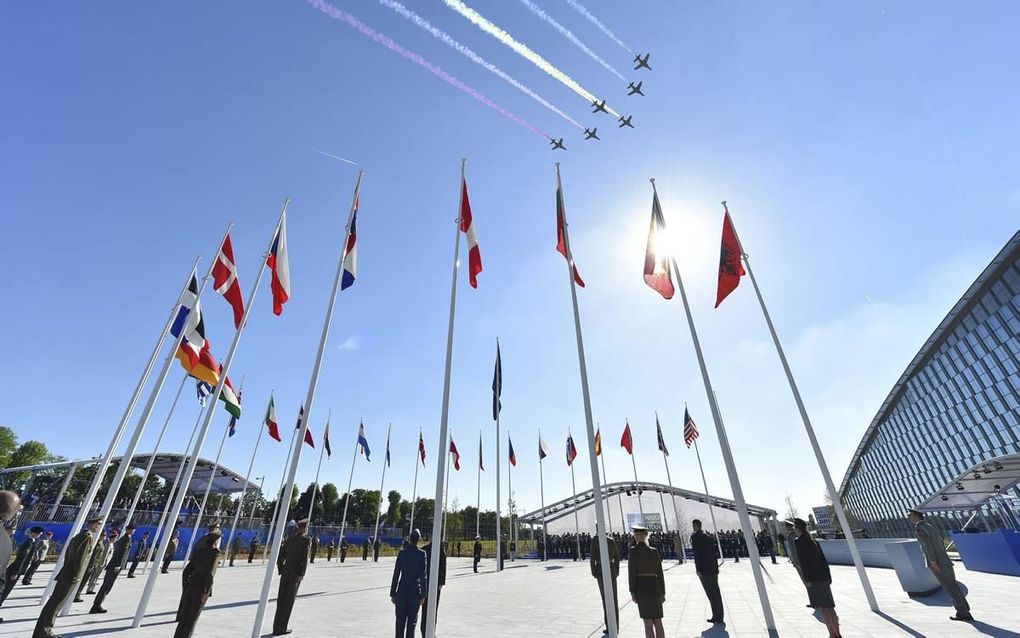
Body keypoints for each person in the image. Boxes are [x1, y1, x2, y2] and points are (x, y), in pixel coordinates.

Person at [34, 515, 100, 638]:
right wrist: (77, 575)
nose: (98, 527)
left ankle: (40, 631)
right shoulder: (87, 537)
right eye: (98, 524)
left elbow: (68, 555)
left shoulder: (78, 536)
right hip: (71, 575)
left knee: (52, 602)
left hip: (66, 572)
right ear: (93, 525)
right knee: (57, 604)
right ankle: (46, 631)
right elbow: (81, 558)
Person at [909, 508, 972, 622]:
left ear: (916, 516)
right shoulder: (930, 526)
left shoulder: (920, 528)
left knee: (950, 587)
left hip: (938, 562)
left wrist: (933, 562)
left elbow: (927, 546)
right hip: (944, 560)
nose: (909, 517)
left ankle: (963, 613)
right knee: (953, 586)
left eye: (910, 515)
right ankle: (964, 610)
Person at [793, 518, 841, 638]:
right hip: (823, 577)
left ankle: (832, 634)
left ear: (797, 529)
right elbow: (823, 560)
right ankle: (837, 633)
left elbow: (804, 562)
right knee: (830, 607)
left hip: (814, 579)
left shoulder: (799, 542)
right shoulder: (814, 541)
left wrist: (807, 579)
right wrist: (828, 577)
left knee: (824, 608)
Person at [174, 529, 221, 637]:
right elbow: (210, 573)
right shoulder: (215, 553)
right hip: (200, 590)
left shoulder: (200, 552)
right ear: (215, 541)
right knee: (192, 619)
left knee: (184, 618)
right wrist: (206, 591)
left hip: (191, 587)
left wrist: (186, 586)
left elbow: (186, 571)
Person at [273, 518, 311, 636]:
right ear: (304, 528)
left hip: (286, 573)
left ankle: (276, 627)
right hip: (295, 575)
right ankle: (282, 628)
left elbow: (280, 558)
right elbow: (304, 560)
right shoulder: (305, 541)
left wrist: (282, 570)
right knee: (289, 601)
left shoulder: (288, 540)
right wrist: (302, 574)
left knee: (281, 600)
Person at [628, 525, 665, 638]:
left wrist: (632, 591)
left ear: (636, 536)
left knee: (648, 623)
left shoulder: (633, 552)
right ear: (646, 536)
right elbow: (660, 573)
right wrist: (663, 592)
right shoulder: (654, 551)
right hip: (655, 588)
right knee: (658, 622)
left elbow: (632, 574)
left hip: (642, 589)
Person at [90, 522, 135, 613]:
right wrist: (118, 565)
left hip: (114, 565)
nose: (133, 531)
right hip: (114, 565)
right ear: (129, 530)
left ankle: (97, 604)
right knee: (107, 586)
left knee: (108, 586)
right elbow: (121, 553)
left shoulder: (126, 538)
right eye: (132, 530)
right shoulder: (126, 539)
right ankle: (96, 605)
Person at [391, 528, 427, 638]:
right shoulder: (422, 554)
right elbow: (423, 576)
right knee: (412, 624)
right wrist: (423, 594)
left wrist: (393, 593)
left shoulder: (402, 553)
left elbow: (396, 574)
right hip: (414, 594)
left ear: (410, 539)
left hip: (401, 592)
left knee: (399, 623)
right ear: (418, 540)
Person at [0, 526, 43, 605]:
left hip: (16, 568)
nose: (40, 534)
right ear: (36, 533)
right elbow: (22, 557)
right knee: (5, 589)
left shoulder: (32, 542)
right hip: (15, 569)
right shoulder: (29, 543)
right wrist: (16, 572)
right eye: (39, 533)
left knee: (5, 589)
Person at [691, 519, 723, 624]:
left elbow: (697, 555)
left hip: (704, 570)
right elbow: (714, 553)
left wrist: (698, 569)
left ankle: (716, 616)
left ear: (695, 527)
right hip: (713, 568)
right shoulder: (709, 537)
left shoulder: (695, 538)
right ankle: (719, 616)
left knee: (710, 593)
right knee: (716, 592)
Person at [590, 528, 620, 635]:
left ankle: (609, 625)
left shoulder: (595, 539)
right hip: (611, 569)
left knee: (605, 598)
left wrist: (593, 571)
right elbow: (617, 557)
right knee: (613, 598)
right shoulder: (611, 539)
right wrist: (616, 570)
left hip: (600, 569)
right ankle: (615, 626)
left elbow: (592, 556)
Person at [75, 528, 114, 601]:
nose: (105, 536)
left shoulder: (101, 543)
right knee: (83, 580)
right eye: (104, 535)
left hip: (95, 565)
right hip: (91, 565)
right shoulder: (97, 543)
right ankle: (77, 594)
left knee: (85, 580)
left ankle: (78, 594)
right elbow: (94, 555)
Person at [419, 538, 446, 637]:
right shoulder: (440, 550)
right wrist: (441, 583)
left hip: (426, 585)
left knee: (425, 611)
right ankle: (430, 632)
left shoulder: (424, 549)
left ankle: (425, 632)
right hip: (434, 585)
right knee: (433, 610)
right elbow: (443, 567)